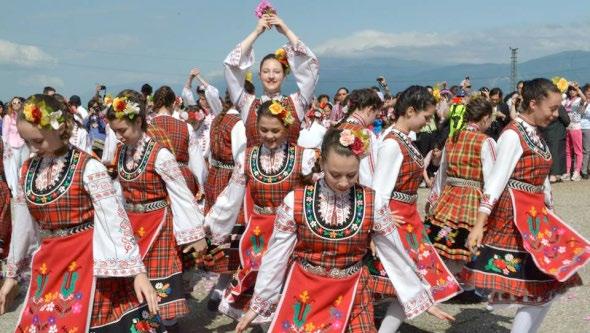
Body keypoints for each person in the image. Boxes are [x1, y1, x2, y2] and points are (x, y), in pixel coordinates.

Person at [235, 128, 454, 333]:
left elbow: (394, 252)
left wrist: (420, 297)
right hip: (305, 289)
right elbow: (276, 256)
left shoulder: (371, 201)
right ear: (321, 163)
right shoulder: (296, 201)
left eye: (351, 175)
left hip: (353, 289)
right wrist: (259, 304)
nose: (343, 182)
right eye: (335, 174)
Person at [0, 94, 160, 332]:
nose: (33, 147)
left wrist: (137, 272)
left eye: (38, 140)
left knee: (78, 319)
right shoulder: (27, 170)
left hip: (86, 258)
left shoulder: (89, 167)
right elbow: (24, 225)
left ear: (60, 128)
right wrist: (12, 275)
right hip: (49, 261)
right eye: (27, 141)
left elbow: (114, 219)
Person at [463, 78, 589, 333]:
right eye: (552, 109)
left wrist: (549, 210)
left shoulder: (534, 134)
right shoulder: (512, 135)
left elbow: (542, 181)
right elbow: (495, 181)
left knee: (544, 290)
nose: (555, 114)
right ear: (533, 104)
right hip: (515, 221)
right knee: (538, 290)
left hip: (535, 219)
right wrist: (479, 224)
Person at [205, 100, 317, 322]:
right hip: (258, 231)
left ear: (287, 128)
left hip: (293, 232)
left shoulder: (305, 157)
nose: (269, 135)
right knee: (257, 285)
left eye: (275, 130)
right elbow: (231, 196)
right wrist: (210, 226)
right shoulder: (247, 157)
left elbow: (324, 189)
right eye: (263, 129)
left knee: (287, 285)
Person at [107, 89, 208, 332]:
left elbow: (181, 194)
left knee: (157, 278)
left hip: (159, 224)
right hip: (132, 223)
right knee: (135, 278)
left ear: (139, 121)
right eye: (114, 132)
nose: (118, 136)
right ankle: (143, 324)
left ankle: (164, 324)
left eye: (122, 130)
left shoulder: (160, 154)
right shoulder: (121, 152)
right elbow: (119, 190)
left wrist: (196, 234)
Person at [372, 86, 461, 333]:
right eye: (426, 116)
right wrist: (379, 220)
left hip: (407, 216)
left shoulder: (403, 139)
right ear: (410, 111)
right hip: (397, 219)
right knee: (406, 279)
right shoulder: (392, 143)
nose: (427, 122)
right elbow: (380, 190)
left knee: (413, 280)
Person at [425, 95, 496, 275]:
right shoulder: (485, 141)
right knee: (472, 237)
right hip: (473, 196)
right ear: (485, 118)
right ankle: (468, 283)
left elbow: (442, 172)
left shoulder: (452, 138)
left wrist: (433, 198)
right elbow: (492, 178)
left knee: (447, 236)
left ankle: (449, 279)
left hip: (450, 194)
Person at [224, 13, 319, 147]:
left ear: (284, 75)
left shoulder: (297, 102)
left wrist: (286, 30)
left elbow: (310, 66)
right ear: (260, 75)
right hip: (252, 167)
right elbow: (231, 66)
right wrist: (256, 32)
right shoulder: (247, 103)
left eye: (276, 71)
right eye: (266, 71)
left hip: (292, 167)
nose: (271, 76)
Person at [150, 85, 207, 195]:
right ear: (173, 104)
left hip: (156, 179)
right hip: (183, 179)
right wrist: (201, 186)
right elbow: (197, 162)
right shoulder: (186, 127)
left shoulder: (147, 127)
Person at [336, 88, 383, 187]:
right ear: (370, 110)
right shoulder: (364, 134)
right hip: (356, 191)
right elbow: (369, 173)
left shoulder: (337, 128)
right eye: (376, 114)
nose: (375, 117)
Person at [2, 97, 30, 192]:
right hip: (13, 146)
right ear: (11, 105)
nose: (16, 104)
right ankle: (14, 190)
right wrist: (6, 148)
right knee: (14, 168)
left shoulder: (24, 116)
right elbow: (5, 134)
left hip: (24, 144)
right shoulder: (7, 117)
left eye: (18, 102)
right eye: (14, 103)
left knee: (24, 166)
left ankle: (23, 187)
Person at [561, 83, 586, 181]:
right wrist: (562, 89)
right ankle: (567, 172)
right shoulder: (566, 100)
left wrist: (578, 89)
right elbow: (558, 102)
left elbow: (585, 99)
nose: (572, 91)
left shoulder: (579, 100)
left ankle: (577, 172)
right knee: (567, 152)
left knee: (578, 151)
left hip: (576, 127)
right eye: (570, 89)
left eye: (573, 90)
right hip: (567, 128)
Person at [580, 84, 590, 178]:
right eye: (587, 92)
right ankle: (582, 169)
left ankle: (584, 171)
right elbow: (579, 113)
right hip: (578, 127)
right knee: (581, 150)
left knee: (586, 150)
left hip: (587, 128)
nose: (589, 93)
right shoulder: (581, 102)